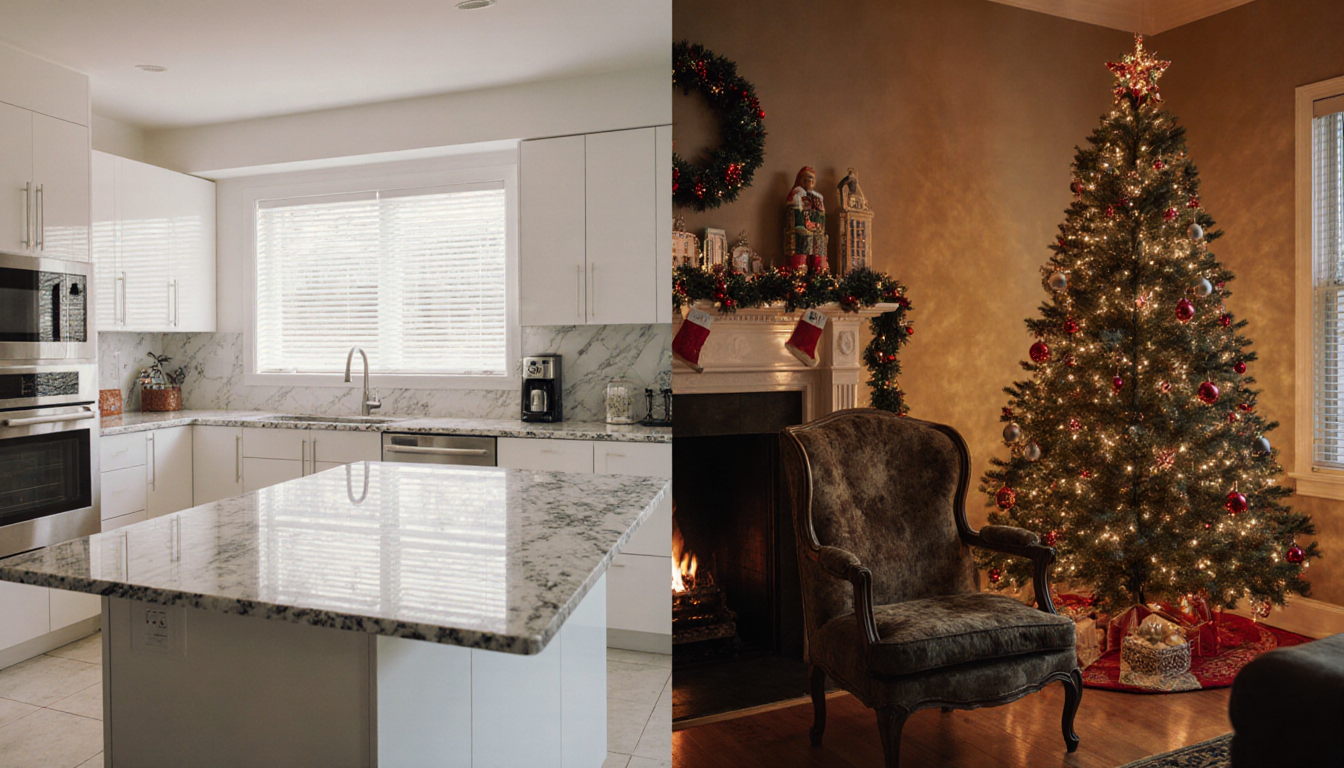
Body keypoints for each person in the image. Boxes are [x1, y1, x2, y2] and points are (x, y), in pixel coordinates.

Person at [785, 166, 828, 272]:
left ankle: (819, 269)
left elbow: (820, 215)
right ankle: (799, 269)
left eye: (811, 179)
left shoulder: (816, 197)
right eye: (806, 179)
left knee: (821, 240)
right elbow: (795, 213)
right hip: (800, 228)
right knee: (805, 238)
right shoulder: (796, 194)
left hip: (814, 228)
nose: (809, 182)